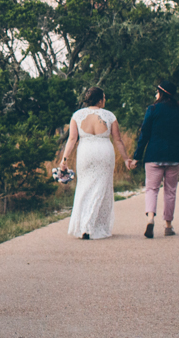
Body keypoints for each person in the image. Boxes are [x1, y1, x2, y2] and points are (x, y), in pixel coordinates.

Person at [58, 87, 135, 240]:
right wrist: (126, 158)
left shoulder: (77, 115)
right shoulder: (109, 116)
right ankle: (94, 226)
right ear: (100, 99)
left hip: (86, 152)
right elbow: (117, 140)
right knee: (102, 188)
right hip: (104, 151)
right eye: (104, 98)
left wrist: (64, 159)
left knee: (84, 187)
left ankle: (84, 226)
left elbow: (72, 139)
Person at [132, 80, 179, 238]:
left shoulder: (153, 109)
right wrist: (177, 148)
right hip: (174, 156)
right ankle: (168, 225)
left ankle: (150, 218)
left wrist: (137, 156)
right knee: (170, 191)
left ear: (162, 93)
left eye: (157, 92)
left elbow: (144, 134)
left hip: (154, 155)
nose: (155, 94)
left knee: (151, 189)